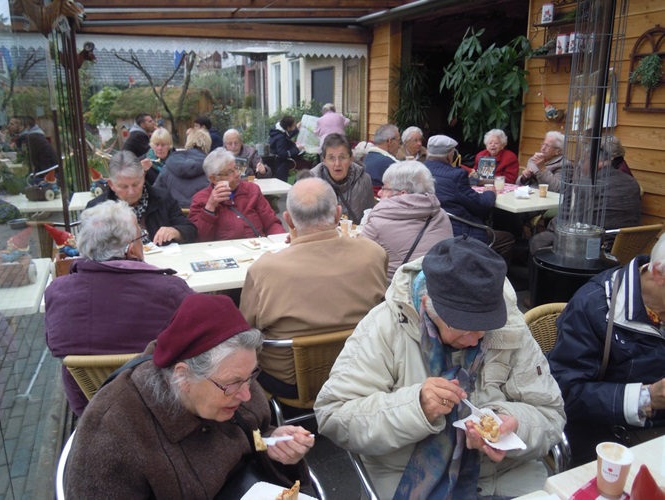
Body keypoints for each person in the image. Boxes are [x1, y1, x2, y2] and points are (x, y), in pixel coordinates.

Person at [315, 236, 566, 499]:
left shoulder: (509, 325)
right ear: (426, 305)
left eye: (485, 327)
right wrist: (415, 406)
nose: (475, 339)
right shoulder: (383, 327)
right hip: (406, 475)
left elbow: (551, 415)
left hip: (504, 473)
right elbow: (333, 415)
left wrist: (512, 425)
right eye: (463, 327)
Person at [64, 294, 315, 497]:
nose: (248, 395)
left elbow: (254, 435)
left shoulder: (232, 379)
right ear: (183, 376)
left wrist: (272, 443)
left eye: (251, 376)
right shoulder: (114, 434)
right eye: (233, 383)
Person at [44, 200, 194, 416]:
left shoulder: (58, 292)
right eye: (141, 236)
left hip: (93, 409)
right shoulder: (171, 289)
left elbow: (55, 345)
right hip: (161, 404)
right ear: (131, 248)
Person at [240, 178, 387, 397]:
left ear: (288, 220)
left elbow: (244, 330)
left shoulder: (264, 270)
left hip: (291, 383)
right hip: (361, 371)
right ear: (338, 215)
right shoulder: (373, 254)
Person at [548, 233, 665, 467]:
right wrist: (646, 398)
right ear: (658, 274)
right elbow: (566, 392)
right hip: (612, 441)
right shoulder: (596, 305)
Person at [529, 149, 642, 255]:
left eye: (583, 161)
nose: (580, 166)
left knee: (540, 240)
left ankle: (538, 275)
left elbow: (565, 220)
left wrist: (551, 225)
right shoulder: (632, 182)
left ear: (592, 161)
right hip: (626, 247)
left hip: (593, 245)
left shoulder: (588, 184)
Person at [424, 135, 515, 264]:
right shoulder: (456, 175)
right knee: (507, 238)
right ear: (450, 154)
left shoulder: (420, 170)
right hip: (460, 232)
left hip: (430, 227)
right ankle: (493, 276)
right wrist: (490, 193)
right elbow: (482, 205)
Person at [361, 161, 453, 280]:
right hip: (435, 288)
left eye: (384, 188)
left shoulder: (378, 221)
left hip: (395, 292)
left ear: (402, 194)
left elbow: (358, 259)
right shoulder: (441, 214)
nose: (379, 192)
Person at [87, 151, 197, 245]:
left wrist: (175, 231)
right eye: (124, 186)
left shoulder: (162, 198)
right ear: (111, 184)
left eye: (136, 184)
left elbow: (191, 231)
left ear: (143, 177)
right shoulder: (97, 208)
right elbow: (89, 247)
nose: (131, 192)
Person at [189, 148, 285, 241]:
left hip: (258, 248)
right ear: (214, 179)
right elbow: (200, 238)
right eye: (230, 172)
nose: (237, 174)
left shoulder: (252, 190)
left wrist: (281, 243)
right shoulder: (201, 199)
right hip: (225, 253)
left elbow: (272, 223)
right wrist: (210, 207)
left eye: (236, 168)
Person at [310, 133, 374, 225]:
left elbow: (370, 217)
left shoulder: (364, 180)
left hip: (354, 237)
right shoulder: (312, 181)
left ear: (351, 158)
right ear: (324, 161)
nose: (337, 164)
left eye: (342, 157)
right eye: (331, 158)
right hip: (323, 237)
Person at [154, 128, 211, 208]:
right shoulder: (211, 168)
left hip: (173, 215)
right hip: (200, 215)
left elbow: (156, 193)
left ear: (188, 142)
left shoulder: (169, 164)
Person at [7, 116, 58, 180]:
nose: (8, 126)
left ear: (24, 127)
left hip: (47, 173)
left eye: (12, 124)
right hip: (46, 171)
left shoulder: (31, 137)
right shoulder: (33, 135)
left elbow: (29, 159)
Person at [269, 115, 304, 181]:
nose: (294, 126)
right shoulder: (280, 138)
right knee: (281, 183)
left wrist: (296, 129)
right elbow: (282, 153)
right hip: (280, 165)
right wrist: (296, 149)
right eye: (293, 125)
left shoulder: (277, 131)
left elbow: (286, 137)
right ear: (288, 127)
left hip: (276, 163)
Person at [364, 124, 400, 188]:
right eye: (398, 141)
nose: (399, 146)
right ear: (390, 141)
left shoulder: (367, 158)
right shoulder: (391, 164)